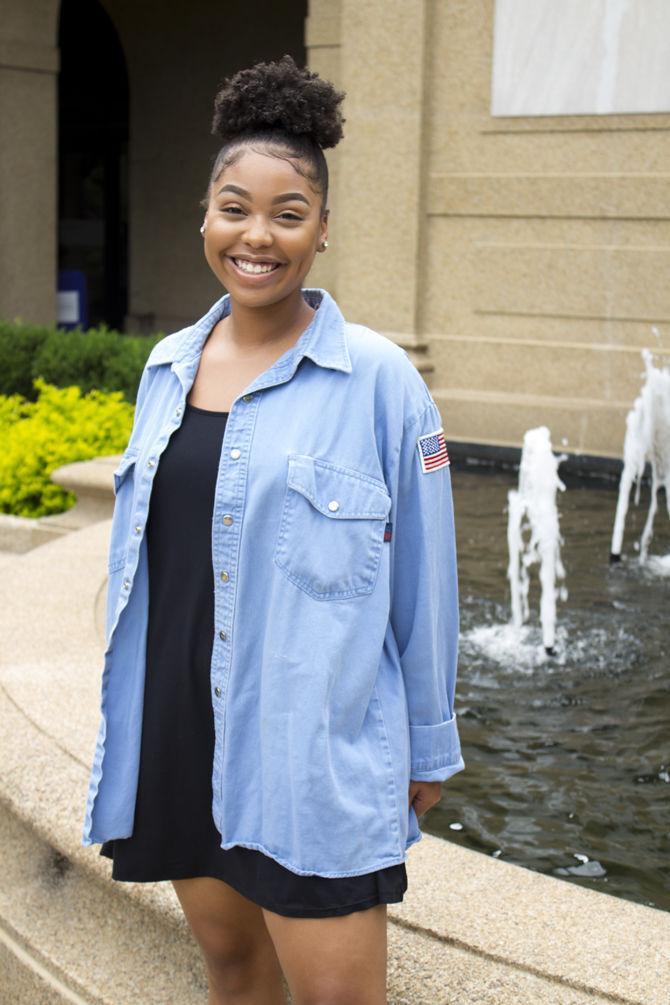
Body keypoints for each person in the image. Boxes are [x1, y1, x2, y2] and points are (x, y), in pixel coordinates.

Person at [82, 54, 465, 1005]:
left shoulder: (380, 382)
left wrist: (426, 745)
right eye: (235, 208)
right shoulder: (166, 366)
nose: (258, 236)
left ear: (322, 229)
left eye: (288, 213)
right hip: (180, 731)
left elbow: (427, 579)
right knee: (234, 974)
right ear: (206, 216)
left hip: (308, 751)